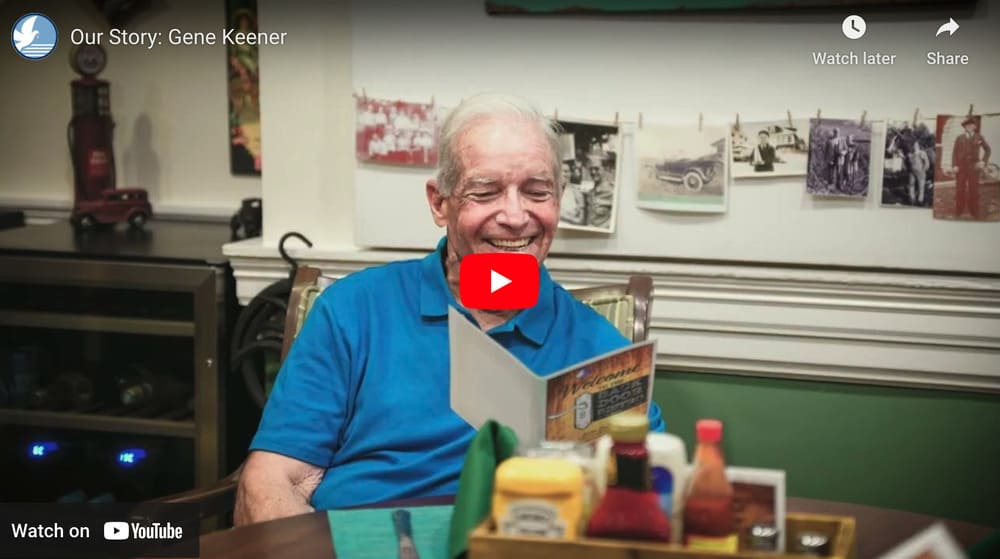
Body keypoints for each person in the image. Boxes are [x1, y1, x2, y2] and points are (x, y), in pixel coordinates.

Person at [235, 93, 665, 525]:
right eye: (485, 191)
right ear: (439, 203)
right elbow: (272, 481)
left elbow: (653, 490)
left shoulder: (600, 349)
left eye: (537, 192)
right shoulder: (353, 310)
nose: (516, 216)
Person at [950, 117, 992, 219]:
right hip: (961, 167)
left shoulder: (979, 137)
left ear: (975, 127)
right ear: (964, 127)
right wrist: (955, 165)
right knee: (960, 189)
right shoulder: (959, 138)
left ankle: (974, 210)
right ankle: (959, 210)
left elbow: (988, 149)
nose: (969, 127)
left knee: (974, 189)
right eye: (967, 125)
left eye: (972, 125)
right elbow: (954, 153)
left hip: (974, 167)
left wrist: (983, 161)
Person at [559, 160, 586, 225]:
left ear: (570, 173)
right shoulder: (551, 190)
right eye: (560, 171)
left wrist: (562, 216)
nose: (563, 174)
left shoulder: (576, 191)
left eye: (566, 171)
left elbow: (581, 220)